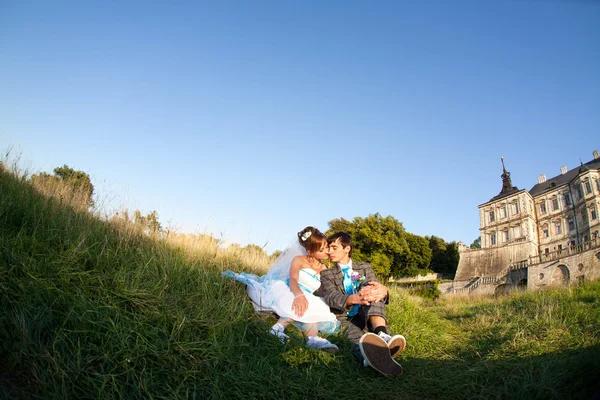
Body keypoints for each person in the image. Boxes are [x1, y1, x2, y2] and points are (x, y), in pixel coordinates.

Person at [222, 227, 340, 352]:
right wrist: (299, 295)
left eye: (327, 247)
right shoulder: (299, 260)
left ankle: (313, 339)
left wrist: (327, 299)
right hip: (292, 289)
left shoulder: (324, 268)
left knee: (314, 306)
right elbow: (293, 279)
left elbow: (321, 289)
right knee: (299, 304)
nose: (327, 251)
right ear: (310, 252)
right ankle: (277, 328)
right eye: (322, 250)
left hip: (308, 295)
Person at [320, 231, 406, 374]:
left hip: (368, 311)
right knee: (354, 338)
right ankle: (371, 359)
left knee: (373, 291)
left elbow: (374, 287)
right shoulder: (326, 274)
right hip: (344, 316)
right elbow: (331, 297)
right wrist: (353, 298)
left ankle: (382, 334)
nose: (329, 251)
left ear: (347, 248)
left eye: (334, 247)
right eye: (328, 248)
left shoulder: (365, 267)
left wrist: (383, 290)